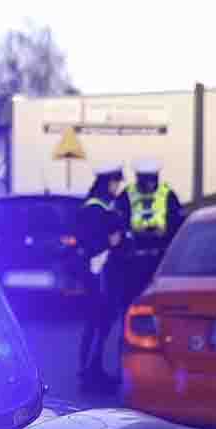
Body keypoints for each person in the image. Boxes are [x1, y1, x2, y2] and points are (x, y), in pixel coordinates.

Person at [75, 163, 126, 389]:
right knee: (97, 322)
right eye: (116, 182)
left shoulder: (102, 206)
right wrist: (111, 241)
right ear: (108, 183)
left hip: (103, 272)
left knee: (99, 323)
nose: (117, 186)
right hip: (98, 272)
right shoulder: (95, 209)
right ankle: (89, 373)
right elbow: (92, 243)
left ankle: (93, 370)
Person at [113, 159, 184, 314]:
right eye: (146, 179)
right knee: (131, 301)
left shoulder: (168, 194)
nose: (150, 183)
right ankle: (127, 334)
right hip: (133, 258)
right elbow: (117, 222)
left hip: (159, 257)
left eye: (153, 179)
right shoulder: (127, 195)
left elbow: (178, 223)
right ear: (138, 177)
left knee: (159, 300)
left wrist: (166, 237)